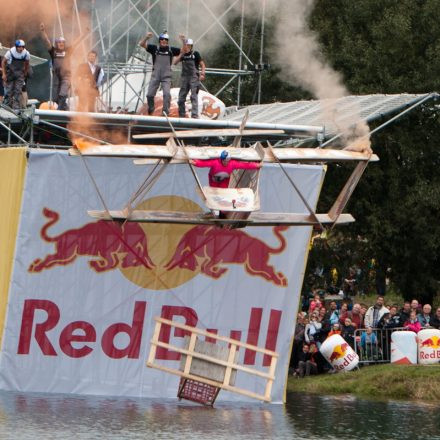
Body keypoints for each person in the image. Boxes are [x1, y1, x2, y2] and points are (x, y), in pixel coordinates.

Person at [40, 22, 83, 110]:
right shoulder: (53, 50)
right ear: (56, 43)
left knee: (63, 92)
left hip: (66, 75)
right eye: (59, 42)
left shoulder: (68, 50)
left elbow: (76, 43)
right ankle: (64, 107)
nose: (61, 44)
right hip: (56, 75)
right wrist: (43, 31)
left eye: (63, 42)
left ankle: (60, 109)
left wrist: (83, 34)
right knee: (56, 95)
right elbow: (46, 41)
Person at [139, 31, 181, 116]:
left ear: (168, 41)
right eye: (162, 39)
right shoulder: (154, 48)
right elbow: (142, 44)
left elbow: (184, 51)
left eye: (166, 39)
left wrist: (183, 41)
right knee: (149, 95)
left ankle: (165, 111)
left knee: (167, 94)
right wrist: (146, 37)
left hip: (166, 76)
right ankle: (151, 107)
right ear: (159, 40)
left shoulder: (171, 50)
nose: (164, 41)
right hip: (156, 75)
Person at [191, 150, 261, 188]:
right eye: (225, 161)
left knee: (223, 192)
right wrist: (195, 162)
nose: (226, 162)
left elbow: (244, 165)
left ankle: (222, 210)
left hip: (225, 180)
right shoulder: (215, 162)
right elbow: (204, 163)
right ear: (221, 159)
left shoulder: (232, 163)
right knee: (214, 191)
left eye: (228, 161)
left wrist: (256, 165)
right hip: (214, 179)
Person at [173, 37, 205, 118]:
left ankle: (194, 115)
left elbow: (202, 64)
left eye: (188, 45)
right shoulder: (182, 55)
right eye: (185, 45)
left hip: (194, 78)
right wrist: (181, 54)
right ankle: (181, 115)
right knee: (181, 98)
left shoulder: (195, 54)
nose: (186, 47)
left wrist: (202, 74)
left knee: (193, 96)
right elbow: (175, 63)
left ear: (191, 46)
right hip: (185, 78)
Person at [1, 40, 30, 110]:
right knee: (9, 91)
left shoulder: (26, 53)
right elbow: (3, 62)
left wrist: (25, 73)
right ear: (16, 47)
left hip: (19, 75)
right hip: (10, 74)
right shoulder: (10, 52)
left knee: (18, 91)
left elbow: (27, 63)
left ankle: (16, 108)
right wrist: (4, 74)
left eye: (22, 47)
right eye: (19, 47)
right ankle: (7, 106)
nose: (21, 49)